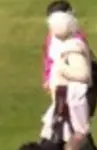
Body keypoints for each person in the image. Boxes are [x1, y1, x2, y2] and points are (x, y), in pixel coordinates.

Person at [40, 11, 94, 150]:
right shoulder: (65, 45)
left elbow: (83, 75)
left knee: (57, 142)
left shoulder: (73, 49)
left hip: (69, 106)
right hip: (64, 105)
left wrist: (61, 69)